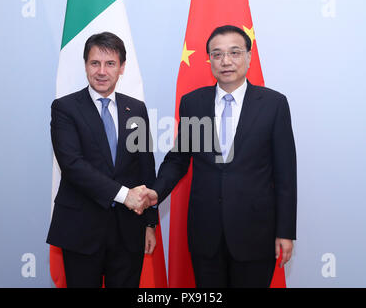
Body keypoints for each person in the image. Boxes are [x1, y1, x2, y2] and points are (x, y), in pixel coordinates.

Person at [151, 25, 297, 287]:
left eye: (234, 52)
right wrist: (154, 193)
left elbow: (285, 174)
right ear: (209, 60)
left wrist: (285, 231)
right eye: (217, 54)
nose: (226, 61)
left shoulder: (274, 104)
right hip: (206, 234)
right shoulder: (193, 103)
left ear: (249, 57)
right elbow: (178, 159)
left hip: (255, 234)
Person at [47, 32, 158, 288]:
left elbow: (145, 166)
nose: (101, 71)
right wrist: (123, 194)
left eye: (110, 64)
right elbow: (72, 165)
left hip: (129, 230)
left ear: (122, 68)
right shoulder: (65, 108)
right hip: (81, 229)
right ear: (85, 65)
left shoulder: (136, 108)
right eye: (94, 63)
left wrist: (150, 223)